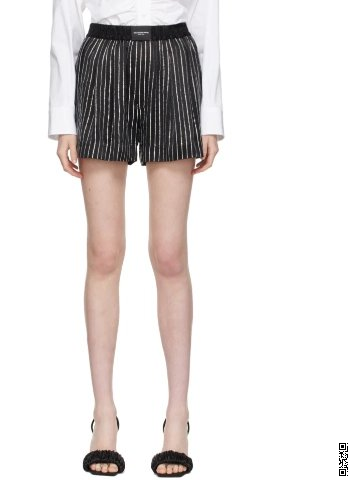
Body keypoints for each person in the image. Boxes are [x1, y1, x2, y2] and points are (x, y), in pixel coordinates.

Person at [48, 0, 224, 476]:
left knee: (169, 254)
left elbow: (206, 14)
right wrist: (63, 118)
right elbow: (66, 15)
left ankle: (177, 415)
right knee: (104, 253)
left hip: (174, 59)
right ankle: (104, 415)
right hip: (103, 59)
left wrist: (210, 115)